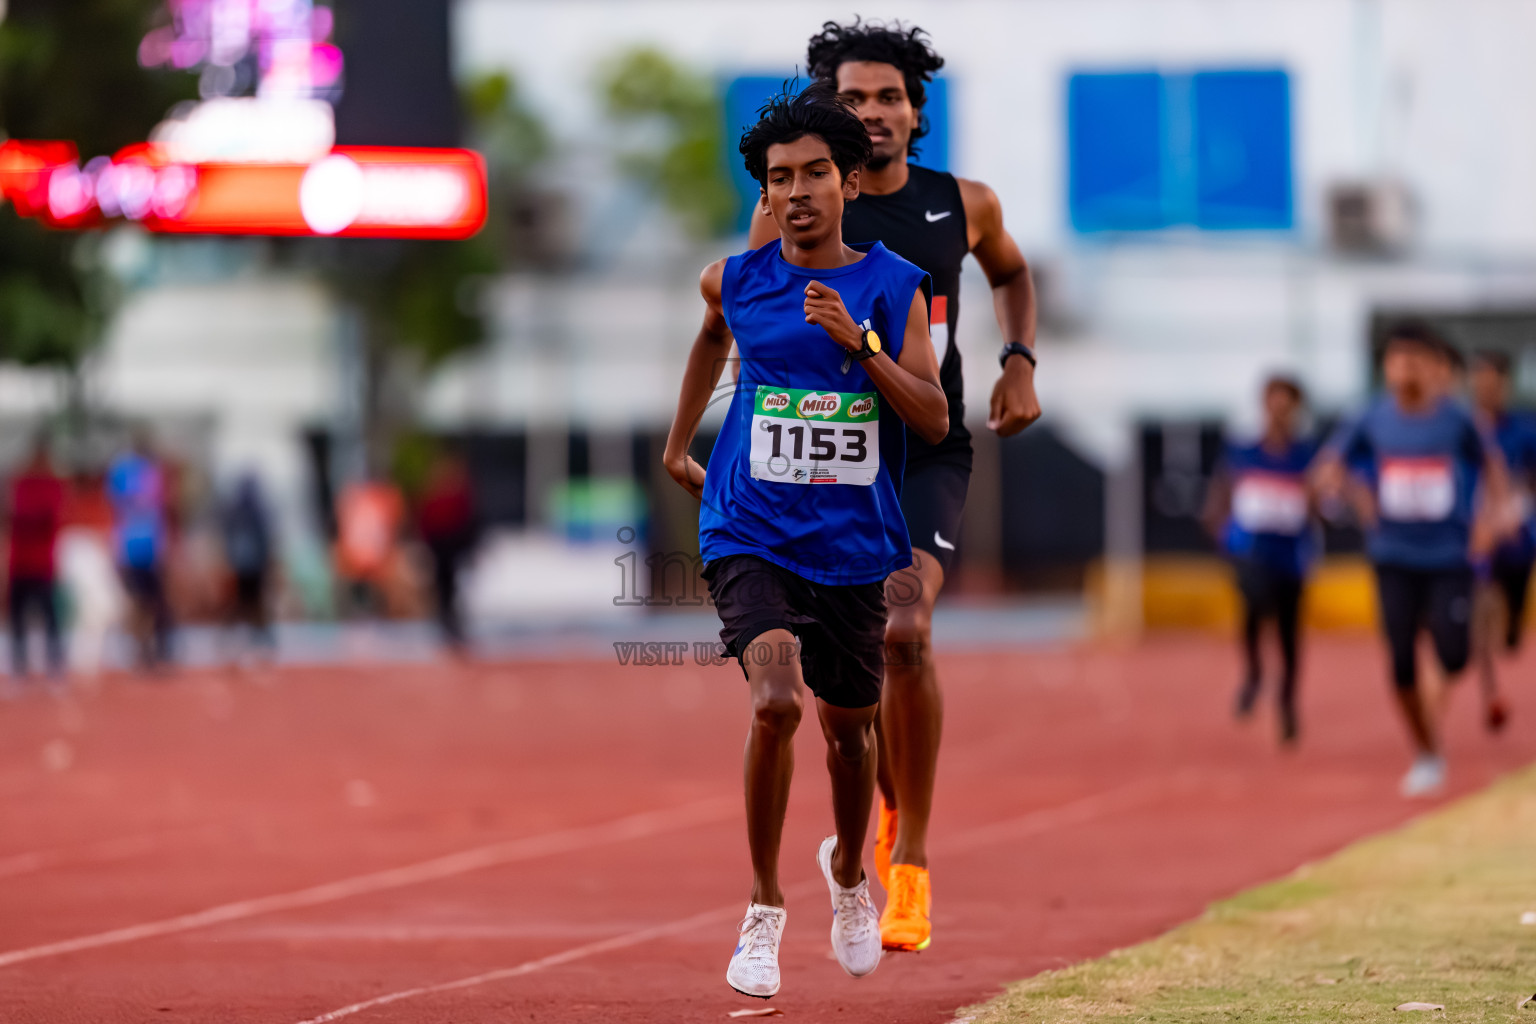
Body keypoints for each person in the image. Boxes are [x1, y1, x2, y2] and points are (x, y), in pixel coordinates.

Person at [748, 18, 1040, 953]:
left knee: (906, 628)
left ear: (917, 113)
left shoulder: (967, 203)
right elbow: (742, 315)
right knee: (844, 684)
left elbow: (1013, 273)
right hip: (827, 461)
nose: (870, 113)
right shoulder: (794, 205)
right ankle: (874, 789)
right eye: (852, 98)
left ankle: (908, 854)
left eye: (887, 98)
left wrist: (1020, 359)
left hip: (923, 448)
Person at [665, 86, 946, 998]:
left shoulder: (896, 284)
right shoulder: (737, 280)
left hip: (856, 546)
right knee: (776, 701)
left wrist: (858, 344)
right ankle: (761, 908)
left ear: (850, 183)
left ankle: (853, 879)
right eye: (778, 178)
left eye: (815, 174)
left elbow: (935, 418)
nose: (796, 192)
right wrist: (678, 448)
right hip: (747, 527)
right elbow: (710, 336)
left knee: (852, 738)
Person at [1314, 323, 1511, 797]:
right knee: (1400, 663)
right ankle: (1427, 752)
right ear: (1385, 369)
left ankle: (1434, 705)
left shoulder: (1456, 420)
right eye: (1395, 361)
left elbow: (1493, 469)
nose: (1403, 370)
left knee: (1453, 654)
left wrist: (1490, 521)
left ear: (1431, 367)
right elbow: (1330, 467)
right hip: (1393, 556)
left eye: (1413, 361)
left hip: (1448, 556)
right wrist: (1350, 493)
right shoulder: (1370, 418)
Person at [1204, 377, 1317, 744]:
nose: (1279, 412)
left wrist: (1316, 500)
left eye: (1287, 405)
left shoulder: (1307, 456)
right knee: (1253, 608)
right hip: (1251, 553)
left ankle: (1287, 702)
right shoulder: (1243, 452)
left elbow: (1323, 506)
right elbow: (1219, 497)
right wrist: (1224, 534)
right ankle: (1253, 675)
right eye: (1273, 403)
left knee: (1288, 634)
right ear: (1264, 406)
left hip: (1291, 556)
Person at [1466, 350, 1535, 731]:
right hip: (1479, 538)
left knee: (1510, 634)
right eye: (1479, 382)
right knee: (1482, 612)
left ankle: (1510, 635)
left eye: (1492, 382)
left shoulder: (1525, 431)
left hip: (1518, 538)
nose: (1485, 390)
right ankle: (1491, 694)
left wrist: (1515, 511)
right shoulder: (1461, 429)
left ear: (1505, 386)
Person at [106, 431, 174, 672]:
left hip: (137, 546)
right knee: (143, 602)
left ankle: (143, 650)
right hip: (141, 547)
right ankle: (141, 650)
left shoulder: (128, 473)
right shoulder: (144, 474)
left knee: (144, 602)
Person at [5, 436, 66, 680]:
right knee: (18, 616)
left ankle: (54, 662)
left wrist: (26, 516)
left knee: (49, 615)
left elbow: (48, 517)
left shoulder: (52, 485)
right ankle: (20, 663)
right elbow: (13, 514)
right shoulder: (20, 483)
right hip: (20, 561)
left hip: (43, 562)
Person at [417, 449, 479, 655]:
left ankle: (454, 628)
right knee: (444, 591)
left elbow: (469, 520)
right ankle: (448, 629)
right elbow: (426, 521)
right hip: (441, 548)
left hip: (454, 548)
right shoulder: (437, 493)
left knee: (454, 591)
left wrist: (470, 546)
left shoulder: (458, 493)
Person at [220, 471, 276, 661]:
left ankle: (253, 640)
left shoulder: (236, 509)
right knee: (251, 604)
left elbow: (229, 536)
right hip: (250, 565)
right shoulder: (254, 510)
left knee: (247, 604)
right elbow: (265, 539)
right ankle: (257, 640)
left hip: (244, 564)